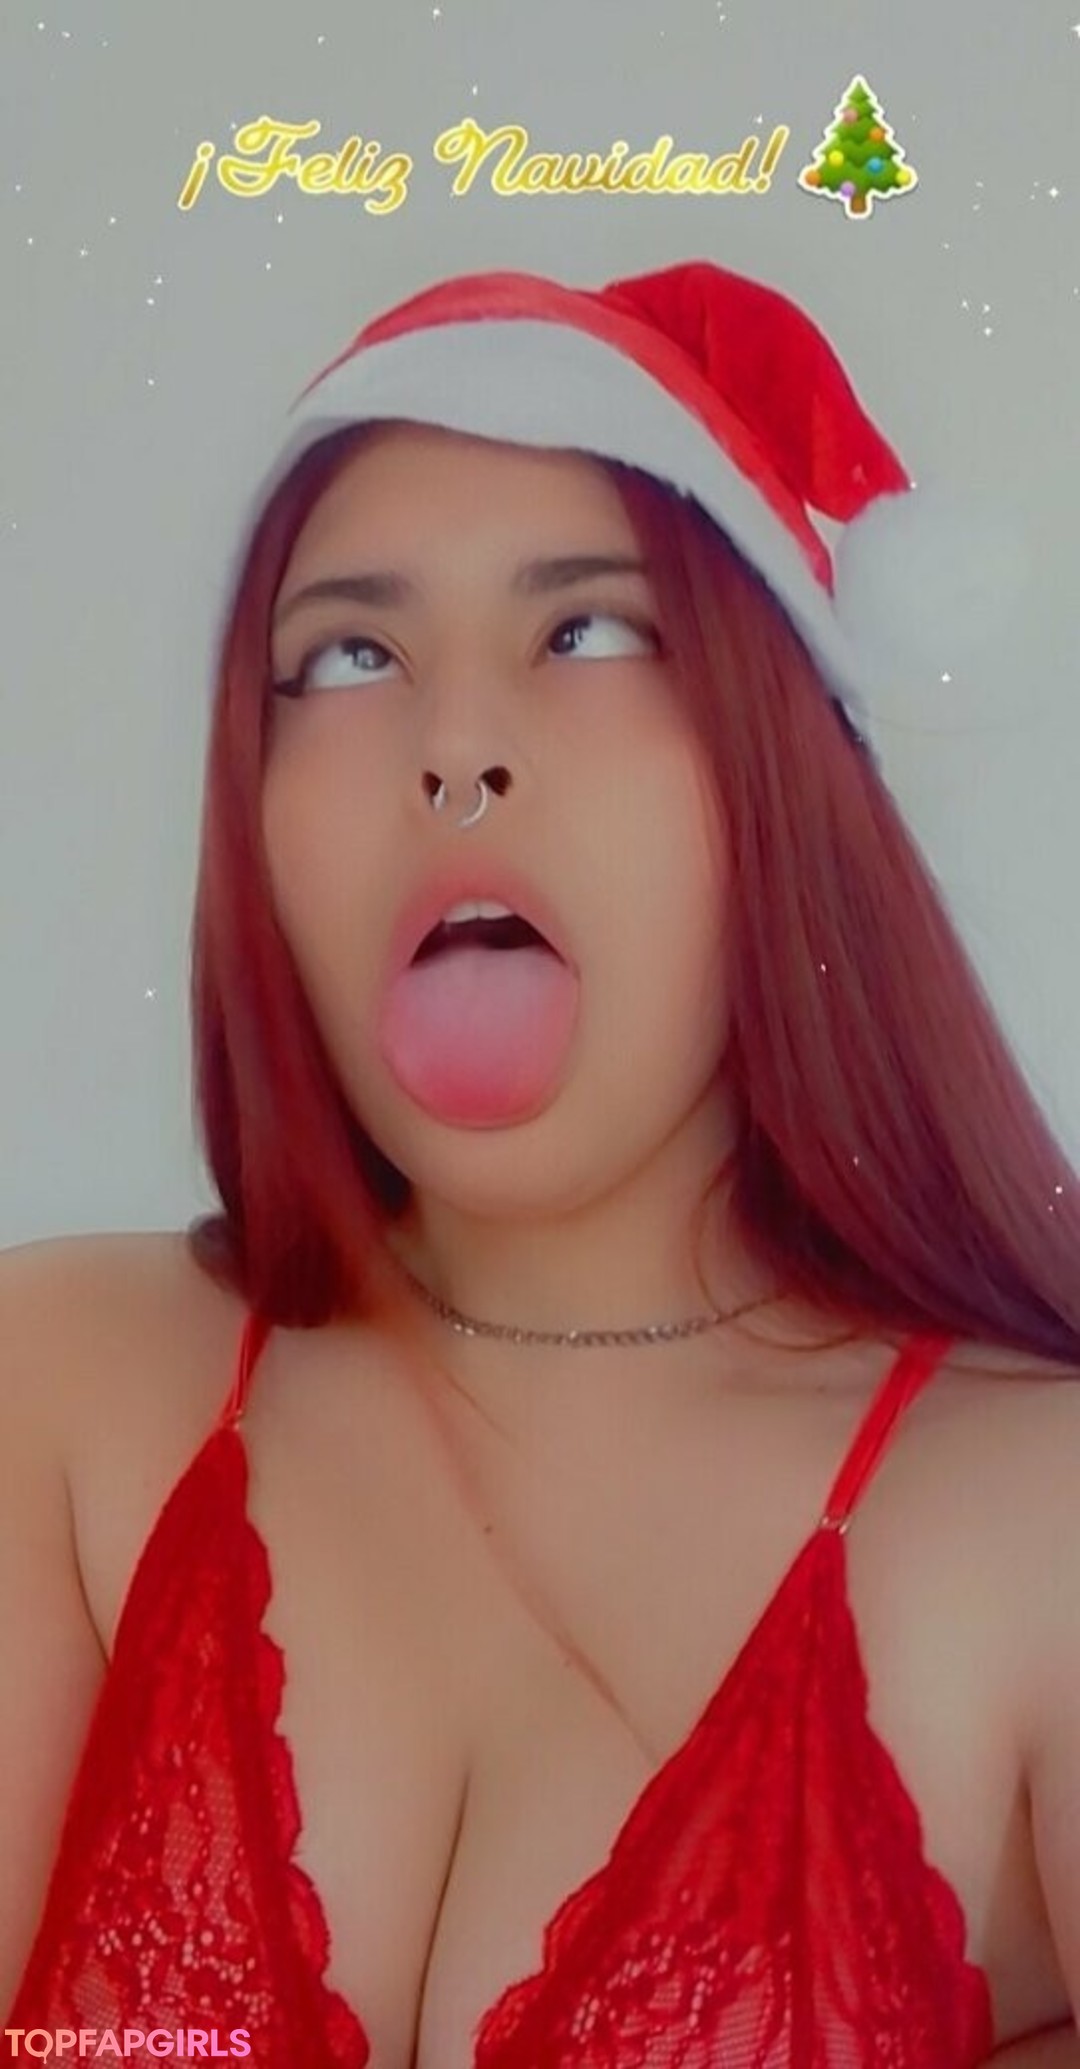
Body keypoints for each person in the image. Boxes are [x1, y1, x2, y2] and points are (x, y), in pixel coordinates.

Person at [2, 258, 1079, 2067]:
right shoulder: (60, 1393)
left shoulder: (1040, 1523)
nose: (456, 748)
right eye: (349, 656)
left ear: (779, 769)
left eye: (587, 630)